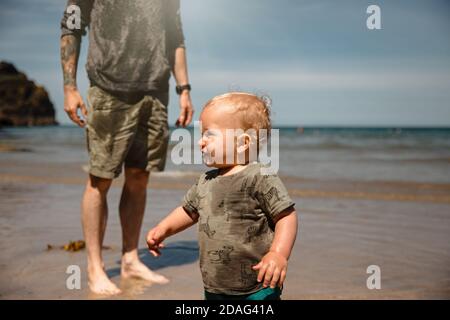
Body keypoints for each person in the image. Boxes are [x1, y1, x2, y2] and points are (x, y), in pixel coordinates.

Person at [60, 0, 194, 295]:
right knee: (101, 178)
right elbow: (71, 26)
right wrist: (70, 87)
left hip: (155, 91)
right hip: (108, 88)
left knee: (139, 176)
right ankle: (95, 268)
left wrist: (184, 89)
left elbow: (175, 37)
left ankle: (130, 258)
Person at [146, 92, 298, 300]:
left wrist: (279, 254)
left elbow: (286, 216)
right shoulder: (206, 181)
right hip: (215, 286)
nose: (201, 142)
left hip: (258, 285)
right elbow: (188, 211)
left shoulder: (260, 176)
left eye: (209, 134)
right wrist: (163, 228)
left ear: (243, 142)